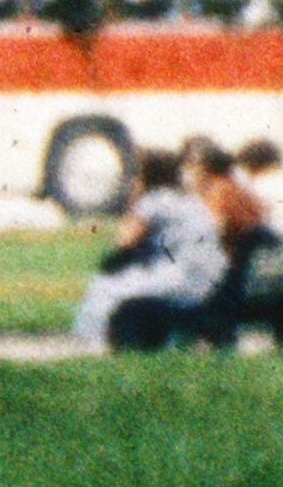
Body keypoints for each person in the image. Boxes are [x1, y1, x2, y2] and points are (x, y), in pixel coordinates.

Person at [72, 139, 229, 350]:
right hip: (211, 280)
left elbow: (123, 243)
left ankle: (93, 343)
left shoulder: (153, 201)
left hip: (180, 280)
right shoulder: (190, 201)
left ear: (147, 176)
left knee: (103, 286)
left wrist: (133, 202)